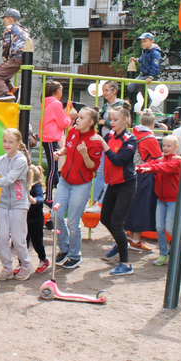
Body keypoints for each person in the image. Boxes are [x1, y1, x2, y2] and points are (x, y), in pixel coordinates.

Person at [52, 107, 103, 269]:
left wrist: (85, 155)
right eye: (78, 117)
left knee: (73, 222)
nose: (77, 120)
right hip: (65, 180)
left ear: (91, 122)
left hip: (81, 184)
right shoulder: (73, 131)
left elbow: (92, 168)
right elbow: (69, 147)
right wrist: (60, 152)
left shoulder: (95, 140)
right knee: (56, 215)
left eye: (81, 117)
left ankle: (75, 255)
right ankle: (65, 249)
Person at [91, 102, 137, 276]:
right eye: (110, 119)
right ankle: (121, 241)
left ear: (126, 120)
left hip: (126, 184)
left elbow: (118, 160)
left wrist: (104, 145)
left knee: (117, 222)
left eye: (115, 119)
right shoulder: (110, 135)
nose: (112, 122)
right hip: (113, 184)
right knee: (104, 219)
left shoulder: (130, 139)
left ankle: (125, 264)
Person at [0, 128, 33, 281]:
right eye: (5, 141)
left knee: (18, 239)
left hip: (19, 204)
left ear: (18, 143)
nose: (7, 144)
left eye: (11, 142)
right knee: (2, 238)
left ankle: (26, 265)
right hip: (4, 203)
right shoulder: (1, 160)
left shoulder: (21, 160)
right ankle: (7, 268)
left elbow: (8, 180)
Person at [137, 135, 181, 266]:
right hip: (161, 199)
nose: (166, 148)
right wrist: (138, 168)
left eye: (169, 146)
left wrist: (150, 169)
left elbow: (164, 167)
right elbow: (152, 163)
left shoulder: (177, 161)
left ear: (176, 147)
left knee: (170, 228)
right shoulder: (161, 159)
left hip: (173, 199)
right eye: (164, 145)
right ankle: (163, 253)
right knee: (159, 227)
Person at [125, 111, 162, 252]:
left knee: (133, 205)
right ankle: (136, 240)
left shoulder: (133, 134)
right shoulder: (149, 138)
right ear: (153, 123)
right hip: (144, 174)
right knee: (142, 206)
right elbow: (157, 158)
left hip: (132, 172)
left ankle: (132, 237)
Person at [87, 80, 125, 213]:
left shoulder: (120, 105)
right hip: (105, 140)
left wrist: (105, 121)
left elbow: (119, 122)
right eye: (103, 90)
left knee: (109, 172)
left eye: (107, 90)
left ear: (115, 90)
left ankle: (101, 202)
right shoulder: (106, 106)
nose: (104, 93)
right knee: (101, 172)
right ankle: (92, 200)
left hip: (114, 141)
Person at [41, 80, 78, 210]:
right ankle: (49, 197)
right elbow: (63, 123)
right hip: (50, 137)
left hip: (47, 136)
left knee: (54, 168)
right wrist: (69, 118)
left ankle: (54, 193)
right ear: (58, 92)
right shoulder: (56, 103)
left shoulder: (47, 102)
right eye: (61, 90)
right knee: (52, 168)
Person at [0, 8, 29, 102]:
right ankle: (13, 90)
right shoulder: (25, 29)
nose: (4, 23)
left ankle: (4, 93)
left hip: (16, 57)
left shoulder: (9, 28)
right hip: (25, 57)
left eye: (5, 20)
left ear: (10, 19)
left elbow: (6, 45)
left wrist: (5, 59)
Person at [127, 32, 161, 97]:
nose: (143, 43)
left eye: (145, 41)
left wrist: (151, 76)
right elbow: (143, 60)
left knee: (141, 82)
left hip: (151, 75)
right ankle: (142, 92)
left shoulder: (155, 53)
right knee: (130, 88)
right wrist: (136, 60)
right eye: (142, 42)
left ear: (151, 41)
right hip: (143, 74)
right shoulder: (144, 51)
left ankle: (147, 100)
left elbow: (155, 66)